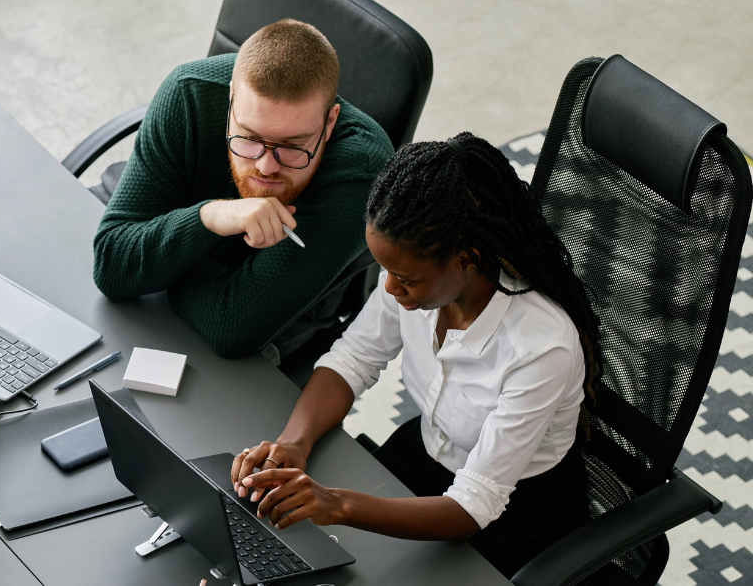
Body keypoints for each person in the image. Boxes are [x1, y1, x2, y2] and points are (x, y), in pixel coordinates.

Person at [228, 134, 601, 578]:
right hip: (424, 457)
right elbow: (353, 360)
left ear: (467, 260)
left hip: (514, 517)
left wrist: (337, 503)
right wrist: (294, 442)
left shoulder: (541, 349)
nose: (388, 288)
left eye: (405, 278)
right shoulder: (415, 282)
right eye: (386, 269)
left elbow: (472, 507)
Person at [92, 19, 394, 360]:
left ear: (329, 122)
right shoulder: (188, 92)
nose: (266, 167)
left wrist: (161, 264)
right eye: (249, 138)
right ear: (231, 97)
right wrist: (208, 216)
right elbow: (112, 265)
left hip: (279, 331)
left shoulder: (364, 168)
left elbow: (231, 326)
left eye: (293, 146)